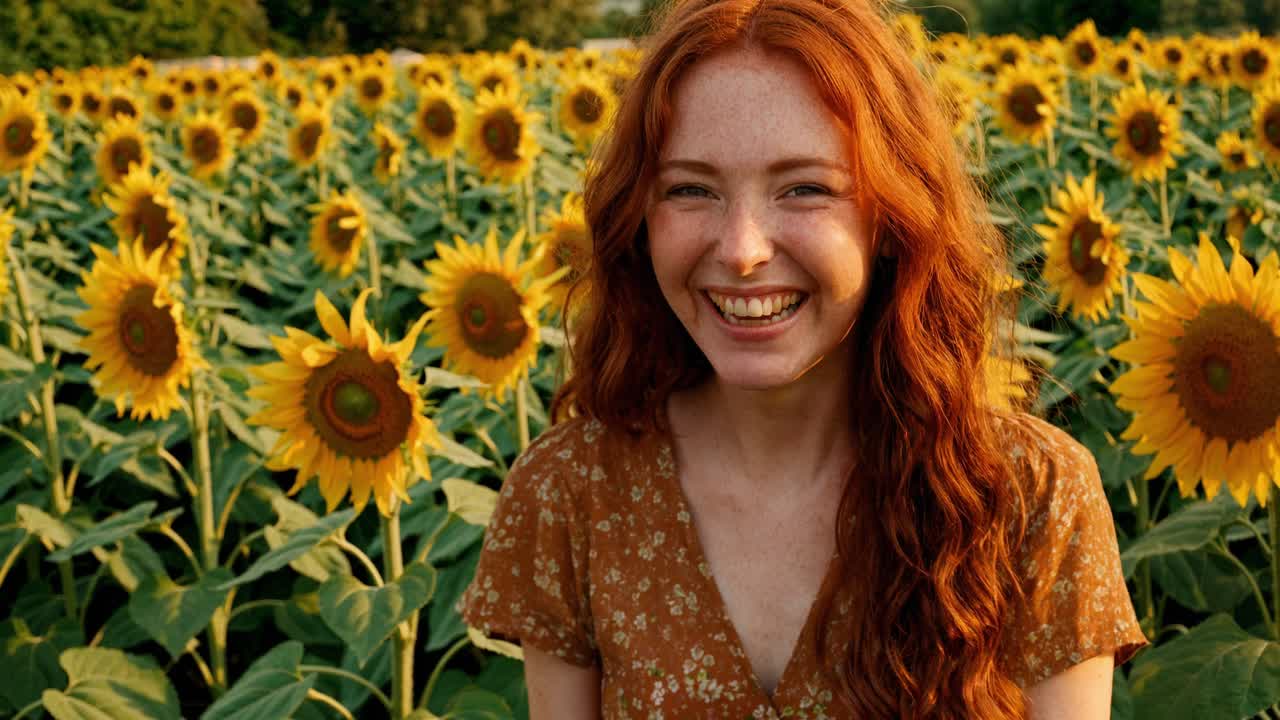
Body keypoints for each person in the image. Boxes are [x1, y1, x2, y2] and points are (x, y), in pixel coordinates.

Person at [456, 0, 1148, 717]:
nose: (742, 249)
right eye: (691, 189)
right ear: (639, 217)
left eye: (806, 189)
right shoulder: (572, 494)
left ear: (893, 218)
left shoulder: (1025, 495)